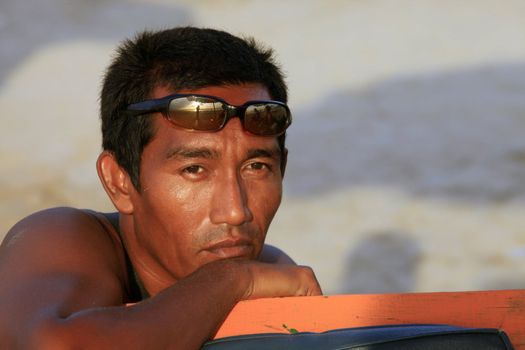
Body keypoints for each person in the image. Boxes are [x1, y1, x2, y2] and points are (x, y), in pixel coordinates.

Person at [0, 27, 322, 349]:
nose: (236, 212)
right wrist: (234, 279)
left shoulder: (275, 274)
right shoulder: (60, 237)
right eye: (194, 169)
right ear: (120, 181)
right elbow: (52, 345)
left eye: (257, 167)